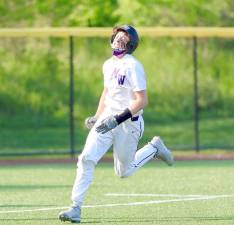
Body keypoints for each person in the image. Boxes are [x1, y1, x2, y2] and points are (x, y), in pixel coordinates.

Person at [58, 24, 174, 223]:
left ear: (130, 45)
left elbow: (142, 100)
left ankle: (153, 148)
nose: (119, 39)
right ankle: (75, 208)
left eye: (124, 38)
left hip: (128, 123)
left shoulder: (133, 65)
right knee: (86, 158)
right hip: (106, 121)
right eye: (118, 36)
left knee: (123, 172)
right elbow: (107, 92)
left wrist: (117, 119)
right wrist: (97, 116)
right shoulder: (107, 64)